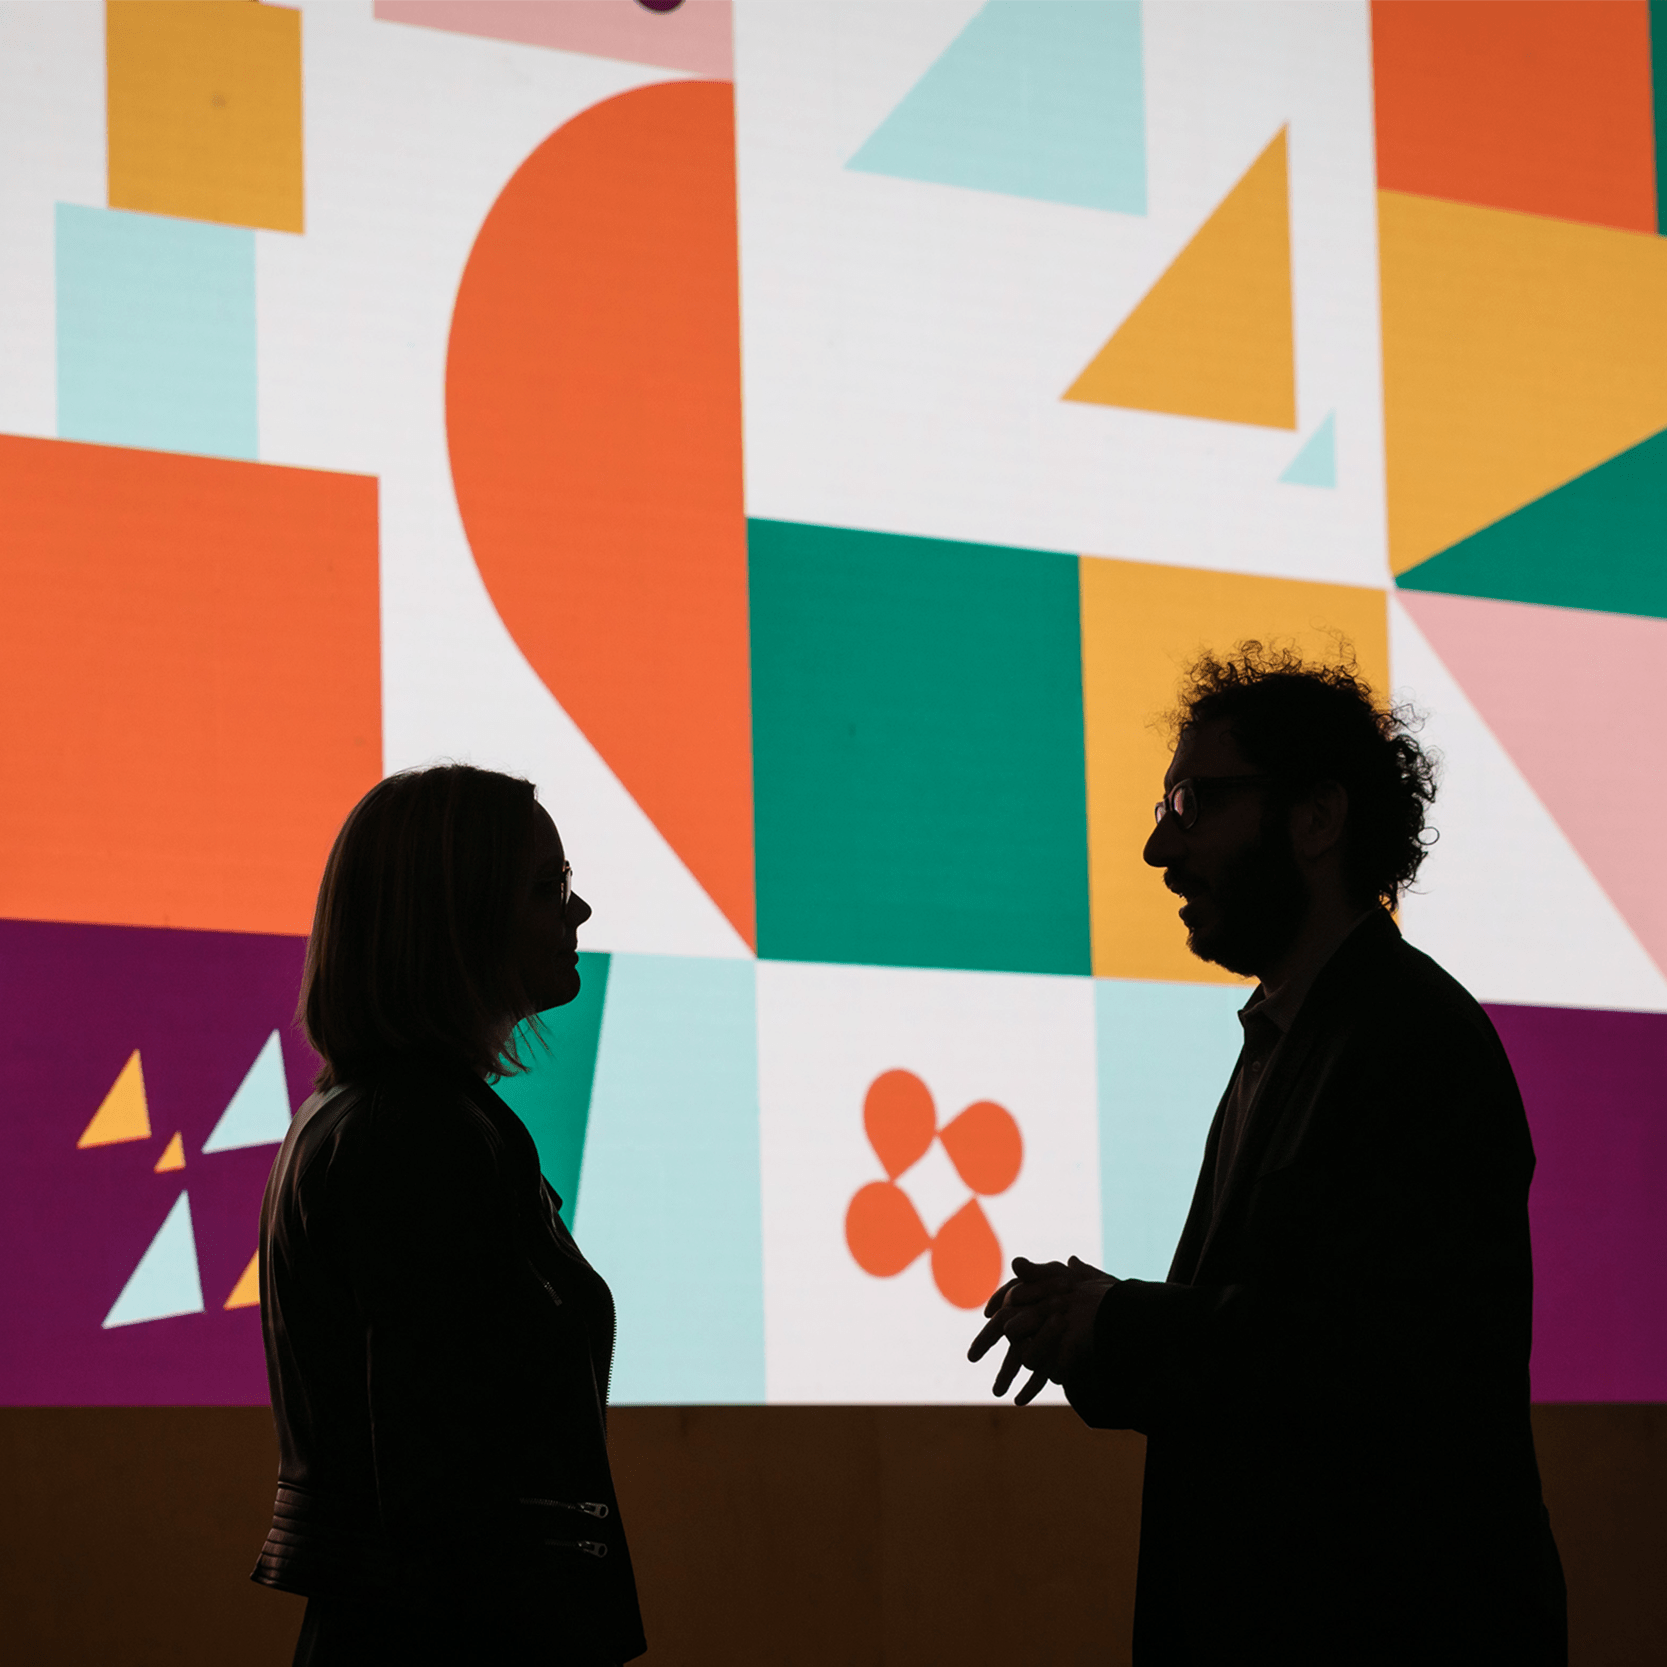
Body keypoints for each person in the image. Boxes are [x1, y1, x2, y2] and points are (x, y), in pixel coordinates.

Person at [970, 645, 1566, 1664]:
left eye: (1193, 800)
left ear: (1317, 818)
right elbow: (1252, 1371)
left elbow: (1364, 1365)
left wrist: (1116, 1316)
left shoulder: (1411, 1040)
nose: (1159, 844)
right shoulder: (1289, 1036)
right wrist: (1089, 1334)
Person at [251, 765, 646, 1666]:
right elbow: (446, 1493)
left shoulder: (382, 1118)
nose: (577, 914)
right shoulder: (415, 1136)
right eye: (548, 890)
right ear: (453, 917)